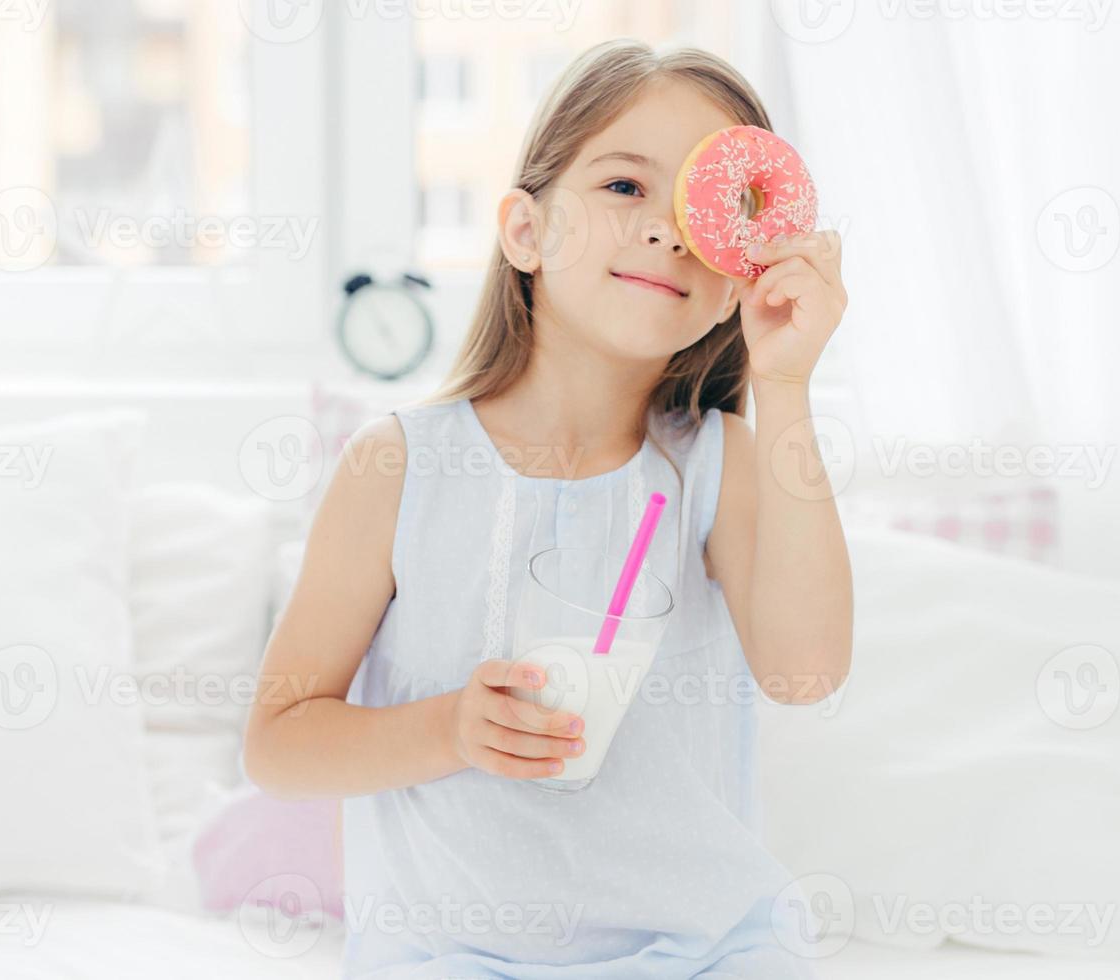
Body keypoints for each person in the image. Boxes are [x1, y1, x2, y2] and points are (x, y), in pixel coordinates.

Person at [244, 38, 853, 979]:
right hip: (448, 958)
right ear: (525, 232)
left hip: (706, 953)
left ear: (739, 271)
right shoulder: (397, 468)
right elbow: (278, 746)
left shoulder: (716, 463)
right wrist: (448, 729)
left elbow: (806, 674)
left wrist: (786, 385)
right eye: (624, 187)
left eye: (711, 208)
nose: (671, 231)